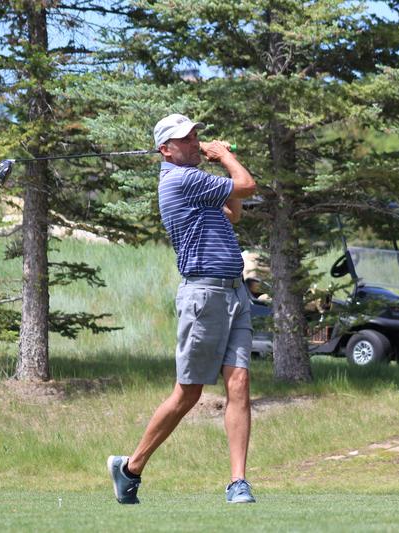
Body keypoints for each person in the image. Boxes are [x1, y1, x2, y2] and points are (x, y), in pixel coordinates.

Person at [107, 113, 258, 505]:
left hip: (235, 293)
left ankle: (238, 482)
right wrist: (223, 155)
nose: (194, 143)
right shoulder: (180, 180)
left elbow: (234, 212)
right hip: (203, 296)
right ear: (165, 150)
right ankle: (131, 468)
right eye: (185, 140)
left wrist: (217, 164)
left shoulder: (196, 181)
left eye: (195, 137)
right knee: (188, 393)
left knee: (239, 383)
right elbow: (246, 186)